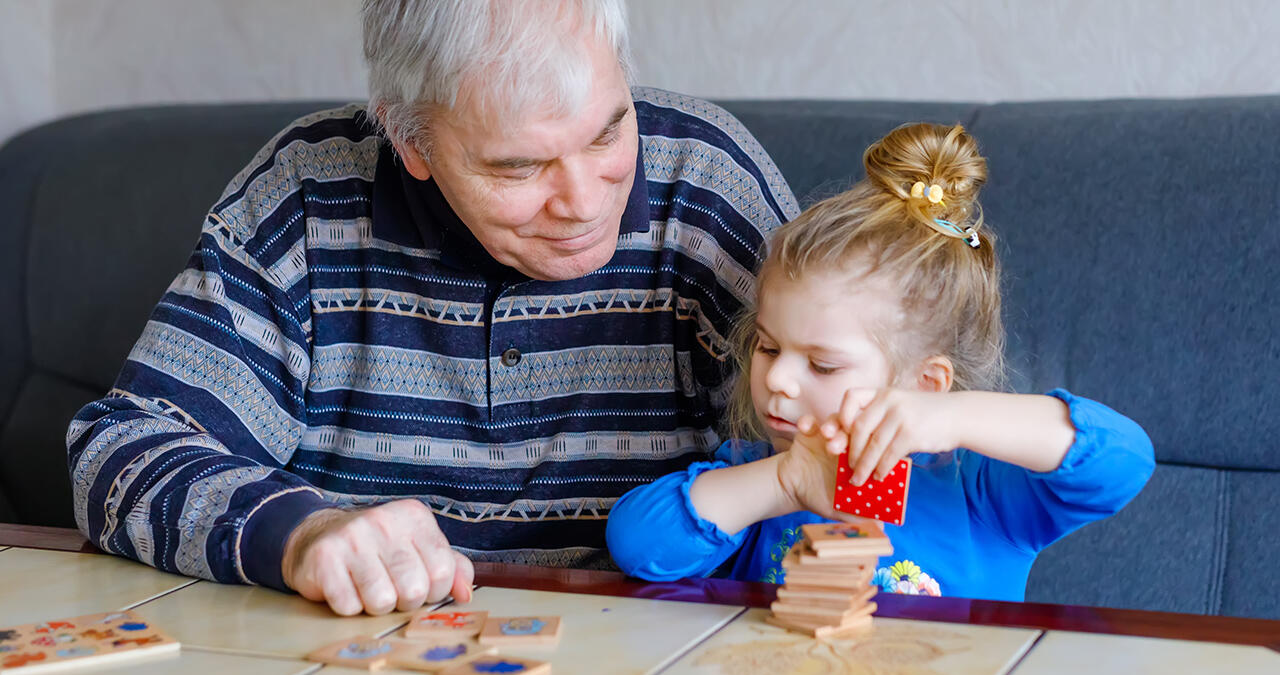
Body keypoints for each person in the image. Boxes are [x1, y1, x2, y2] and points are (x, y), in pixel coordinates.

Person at [66, 0, 797, 616]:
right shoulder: (301, 197)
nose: (584, 202)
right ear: (410, 139)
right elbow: (122, 454)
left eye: (608, 131)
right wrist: (299, 535)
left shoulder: (706, 188)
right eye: (519, 165)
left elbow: (837, 445)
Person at [605, 123, 1155, 601]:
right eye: (768, 347)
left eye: (823, 366)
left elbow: (1123, 461)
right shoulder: (759, 473)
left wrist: (954, 418)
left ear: (925, 382)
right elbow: (636, 546)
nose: (777, 379)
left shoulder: (981, 491)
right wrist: (784, 483)